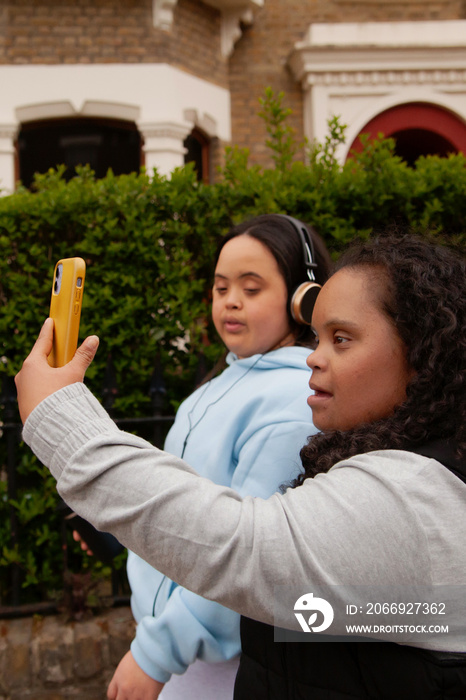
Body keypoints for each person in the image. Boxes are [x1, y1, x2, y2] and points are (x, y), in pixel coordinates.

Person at [15, 233, 466, 699]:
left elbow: (242, 548)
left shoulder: (413, 497)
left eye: (343, 338)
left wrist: (61, 419)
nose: (315, 355)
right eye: (220, 286)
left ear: (421, 354)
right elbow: (324, 615)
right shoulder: (402, 468)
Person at [66, 213, 332, 700]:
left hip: (223, 663)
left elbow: (250, 558)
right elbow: (188, 515)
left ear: (304, 301)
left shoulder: (297, 401)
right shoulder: (217, 385)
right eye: (221, 287)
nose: (230, 300)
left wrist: (156, 653)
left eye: (252, 289)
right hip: (179, 648)